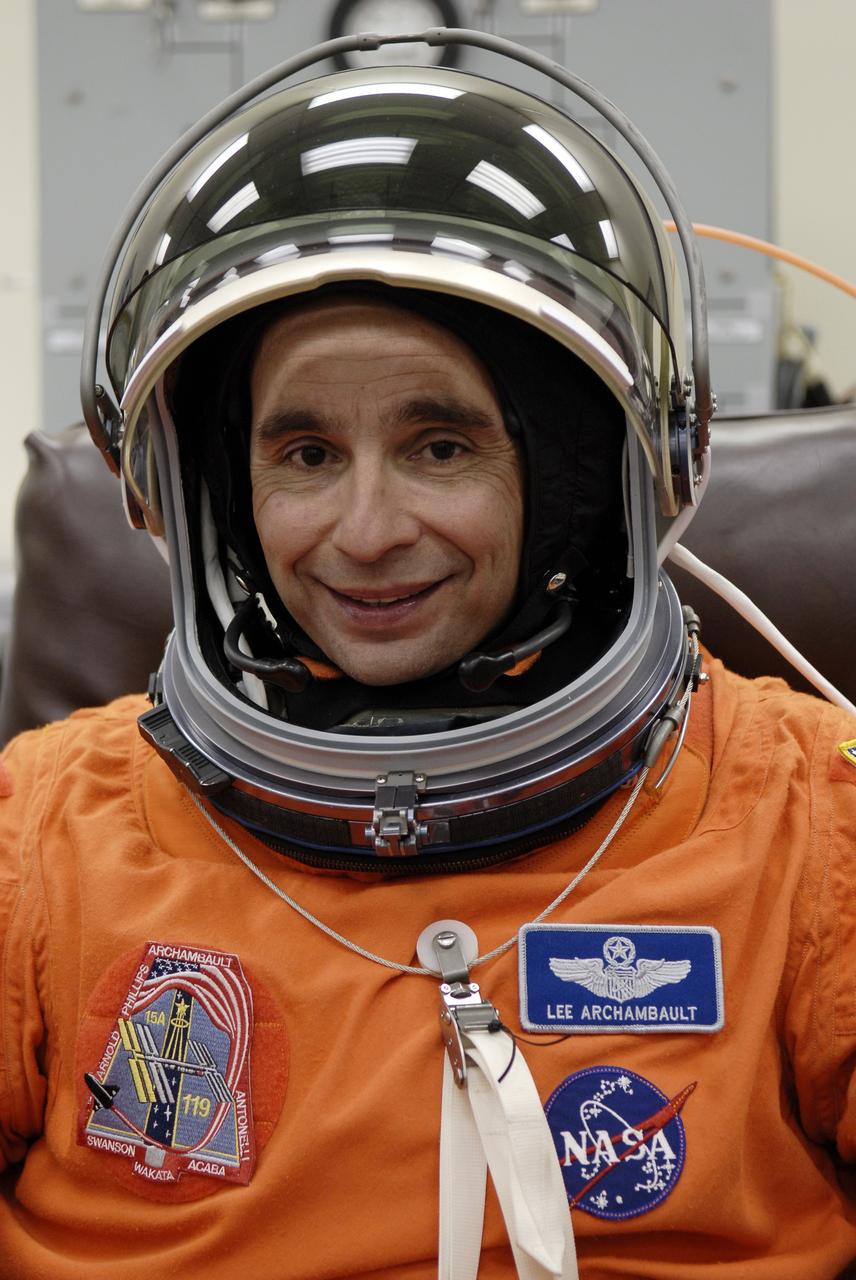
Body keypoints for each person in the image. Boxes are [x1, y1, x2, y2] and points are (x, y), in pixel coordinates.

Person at [2, 33, 856, 1280]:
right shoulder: (43, 838)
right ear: (222, 494)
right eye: (304, 454)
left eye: (440, 446)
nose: (365, 531)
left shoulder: (805, 817)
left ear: (575, 479)